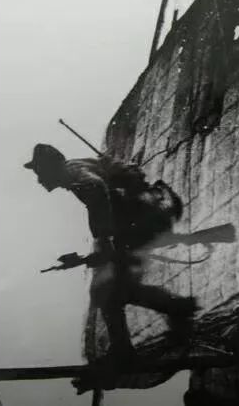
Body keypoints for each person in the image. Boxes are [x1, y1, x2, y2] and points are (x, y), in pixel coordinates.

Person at [24, 143, 197, 362]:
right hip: (144, 218)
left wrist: (103, 238)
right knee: (115, 290)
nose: (39, 179)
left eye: (40, 172)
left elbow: (96, 187)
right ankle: (177, 309)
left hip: (144, 220)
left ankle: (127, 347)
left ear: (51, 167)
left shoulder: (73, 172)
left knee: (105, 291)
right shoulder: (75, 169)